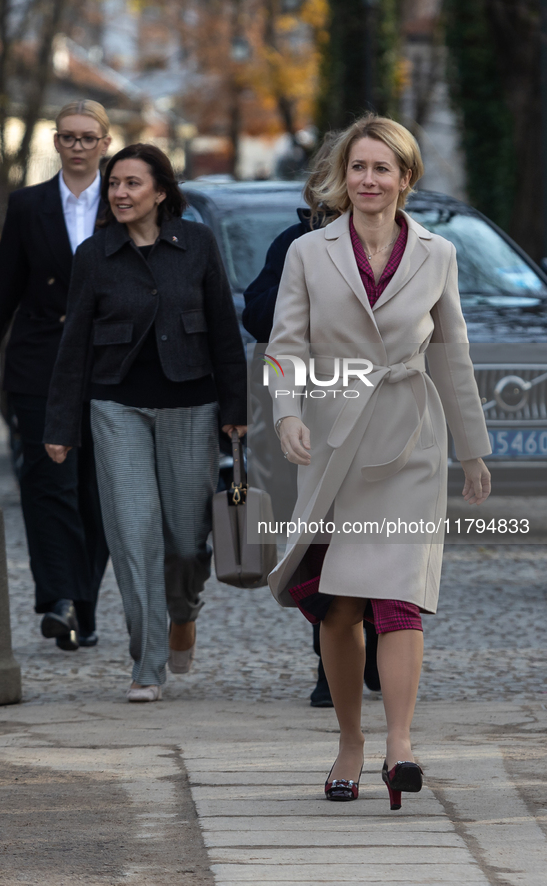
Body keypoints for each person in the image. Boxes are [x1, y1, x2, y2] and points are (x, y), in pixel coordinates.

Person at [267, 114, 491, 810]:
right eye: (357, 168)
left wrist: (473, 449)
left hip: (410, 443)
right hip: (333, 442)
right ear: (343, 177)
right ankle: (349, 744)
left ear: (405, 178)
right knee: (339, 608)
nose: (367, 180)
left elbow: (451, 353)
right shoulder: (309, 252)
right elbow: (285, 344)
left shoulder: (438, 253)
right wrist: (287, 411)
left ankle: (399, 745)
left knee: (398, 599)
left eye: (381, 168)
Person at [43, 143, 247, 701]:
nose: (120, 193)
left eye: (133, 183)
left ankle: (183, 610)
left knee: (186, 540)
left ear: (161, 191)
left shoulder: (197, 244)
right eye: (114, 184)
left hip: (191, 404)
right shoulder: (94, 254)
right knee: (133, 535)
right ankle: (147, 665)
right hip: (116, 407)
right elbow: (74, 345)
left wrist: (236, 411)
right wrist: (60, 424)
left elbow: (226, 332)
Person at [0, 99, 111, 651]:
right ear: (55, 142)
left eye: (87, 137)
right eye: (68, 137)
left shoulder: (123, 201)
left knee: (96, 489)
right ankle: (59, 601)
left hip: (105, 365)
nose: (77, 146)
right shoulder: (28, 206)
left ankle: (86, 602)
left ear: (104, 143)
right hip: (38, 362)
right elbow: (3, 291)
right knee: (48, 484)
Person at [243, 135, 381, 707]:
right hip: (315, 413)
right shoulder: (295, 243)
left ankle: (378, 635)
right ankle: (331, 667)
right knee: (321, 545)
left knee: (378, 536)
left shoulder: (398, 242)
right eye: (342, 173)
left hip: (382, 413)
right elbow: (258, 318)